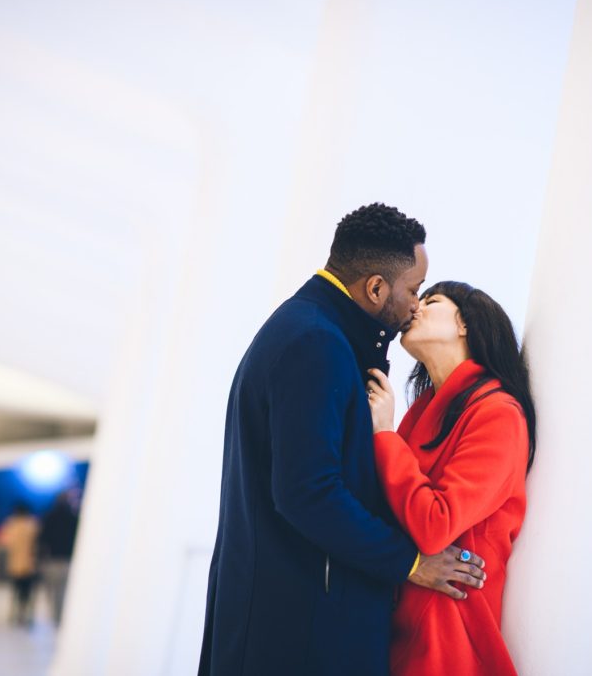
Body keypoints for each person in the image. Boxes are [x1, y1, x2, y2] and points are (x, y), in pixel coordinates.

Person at [199, 204, 487, 676]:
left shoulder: (308, 329)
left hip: (284, 615)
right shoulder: (316, 343)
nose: (417, 304)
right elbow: (308, 493)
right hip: (298, 630)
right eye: (413, 290)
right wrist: (412, 562)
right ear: (376, 288)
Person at [366, 281, 536, 675]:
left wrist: (384, 437)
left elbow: (435, 524)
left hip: (447, 630)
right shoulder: (423, 411)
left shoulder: (499, 413)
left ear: (465, 324)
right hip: (393, 618)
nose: (416, 307)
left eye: (432, 300)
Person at [37, 487, 81, 626]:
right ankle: (63, 616)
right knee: (66, 590)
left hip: (52, 559)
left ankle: (57, 616)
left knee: (53, 590)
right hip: (68, 559)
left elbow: (42, 539)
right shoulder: (73, 518)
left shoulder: (49, 516)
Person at [0, 500, 39, 627]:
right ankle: (26, 615)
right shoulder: (32, 524)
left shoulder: (11, 524)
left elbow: (3, 541)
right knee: (27, 592)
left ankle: (16, 614)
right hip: (30, 564)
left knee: (16, 591)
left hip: (15, 564)